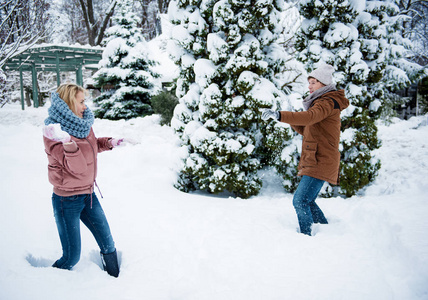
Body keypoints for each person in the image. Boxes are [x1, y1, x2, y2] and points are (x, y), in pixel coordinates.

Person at [43, 83, 124, 277]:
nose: (85, 106)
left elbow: (92, 145)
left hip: (88, 194)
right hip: (66, 201)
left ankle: (117, 283)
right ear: (69, 104)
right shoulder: (53, 133)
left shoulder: (82, 124)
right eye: (80, 102)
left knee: (108, 244)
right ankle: (47, 281)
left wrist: (110, 142)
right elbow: (77, 167)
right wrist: (67, 142)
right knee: (72, 256)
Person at [262, 64, 349, 236]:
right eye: (308, 83)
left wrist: (281, 115)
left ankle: (307, 237)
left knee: (300, 200)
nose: (309, 86)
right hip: (317, 158)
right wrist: (289, 118)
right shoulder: (321, 103)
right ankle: (327, 232)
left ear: (324, 84)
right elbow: (307, 129)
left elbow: (309, 117)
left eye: (313, 82)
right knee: (307, 200)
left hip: (321, 159)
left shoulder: (327, 102)